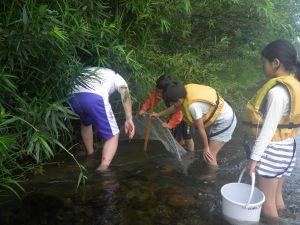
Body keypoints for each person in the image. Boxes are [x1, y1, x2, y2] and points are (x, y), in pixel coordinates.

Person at [244, 40, 300, 218]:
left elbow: (268, 130)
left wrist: (254, 158)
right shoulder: (295, 85)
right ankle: (287, 217)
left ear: (275, 63)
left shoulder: (277, 92)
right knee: (277, 196)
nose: (263, 66)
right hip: (289, 148)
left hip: (274, 150)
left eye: (264, 62)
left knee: (267, 205)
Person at [152, 81, 236, 167]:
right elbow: (175, 108)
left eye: (172, 103)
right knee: (208, 155)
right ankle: (211, 168)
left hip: (225, 121)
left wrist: (206, 147)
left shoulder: (193, 107)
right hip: (222, 117)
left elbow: (201, 128)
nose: (171, 105)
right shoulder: (182, 93)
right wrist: (158, 114)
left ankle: (211, 178)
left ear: (179, 100)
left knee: (209, 156)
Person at [69, 67, 135, 172]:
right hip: (95, 97)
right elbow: (125, 92)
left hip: (71, 97)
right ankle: (103, 169)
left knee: (86, 123)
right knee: (113, 135)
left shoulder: (90, 70)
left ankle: (90, 155)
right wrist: (129, 119)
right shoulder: (116, 76)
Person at [139, 75, 194, 151]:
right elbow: (152, 99)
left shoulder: (174, 95)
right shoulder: (162, 92)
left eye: (160, 92)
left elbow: (178, 113)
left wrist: (170, 124)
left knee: (187, 135)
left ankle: (191, 152)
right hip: (175, 115)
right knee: (177, 133)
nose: (159, 93)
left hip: (186, 116)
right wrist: (143, 109)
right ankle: (181, 145)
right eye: (158, 91)